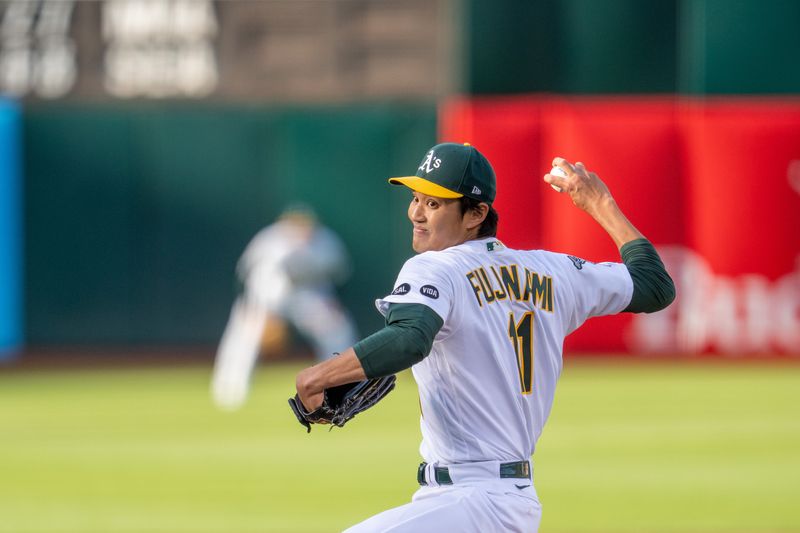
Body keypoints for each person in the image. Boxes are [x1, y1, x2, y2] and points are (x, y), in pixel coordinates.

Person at [294, 143, 675, 531]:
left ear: (476, 213)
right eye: (415, 198)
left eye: (435, 204)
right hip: (500, 501)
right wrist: (601, 205)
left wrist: (317, 377)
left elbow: (410, 338)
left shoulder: (434, 267)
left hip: (472, 500)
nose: (416, 213)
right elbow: (654, 285)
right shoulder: (553, 271)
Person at [212, 204, 358, 410]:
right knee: (245, 332)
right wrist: (257, 311)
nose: (301, 230)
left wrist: (335, 304)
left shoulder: (326, 242)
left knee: (338, 330)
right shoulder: (269, 241)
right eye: (295, 225)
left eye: (305, 226)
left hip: (308, 295)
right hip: (268, 294)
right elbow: (246, 275)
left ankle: (345, 386)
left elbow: (339, 277)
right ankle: (229, 391)